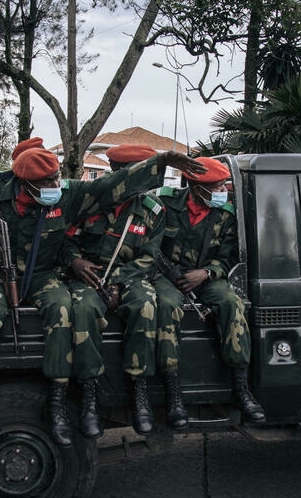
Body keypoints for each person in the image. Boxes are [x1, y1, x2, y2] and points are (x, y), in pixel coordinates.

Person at [0, 147, 203, 455]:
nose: (55, 184)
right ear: (25, 183)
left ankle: (58, 403)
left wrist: (160, 163)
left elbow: (108, 186)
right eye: (47, 180)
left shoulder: (67, 193)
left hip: (43, 274)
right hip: (1, 274)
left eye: (56, 176)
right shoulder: (3, 191)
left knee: (64, 308)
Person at [64, 144, 181, 435]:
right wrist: (74, 260)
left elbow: (149, 256)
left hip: (131, 275)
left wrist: (117, 282)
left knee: (145, 305)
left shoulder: (152, 210)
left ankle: (139, 390)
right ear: (118, 175)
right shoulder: (89, 203)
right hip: (87, 274)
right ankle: (89, 393)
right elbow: (64, 239)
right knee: (83, 309)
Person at [153, 157, 266, 424]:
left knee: (231, 302)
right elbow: (149, 243)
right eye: (215, 187)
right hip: (168, 276)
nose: (222, 192)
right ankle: (173, 392)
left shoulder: (225, 214)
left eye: (222, 186)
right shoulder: (166, 204)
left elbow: (228, 256)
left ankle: (240, 389)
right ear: (195, 187)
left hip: (206, 276)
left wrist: (205, 273)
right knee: (167, 306)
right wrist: (171, 273)